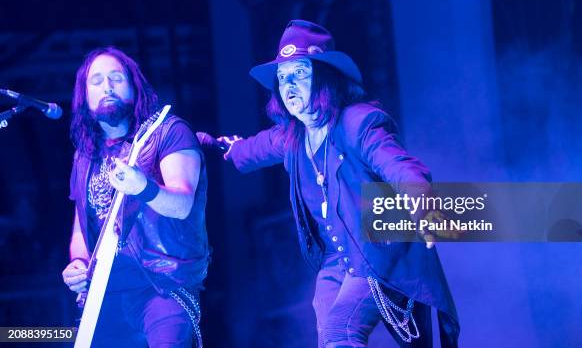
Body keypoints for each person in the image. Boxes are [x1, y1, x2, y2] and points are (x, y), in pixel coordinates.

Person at [201, 20, 459, 348]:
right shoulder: (292, 136)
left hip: (376, 250)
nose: (289, 86)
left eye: (299, 73)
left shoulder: (358, 122)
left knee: (340, 330)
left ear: (324, 76)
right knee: (328, 339)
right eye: (282, 78)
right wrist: (214, 145)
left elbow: (398, 165)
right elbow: (252, 149)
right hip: (337, 261)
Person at [61, 47, 210, 348]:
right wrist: (78, 261)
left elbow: (182, 205)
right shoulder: (84, 157)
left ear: (134, 86)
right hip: (106, 293)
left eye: (116, 78)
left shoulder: (168, 132)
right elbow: (81, 226)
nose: (107, 86)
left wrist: (144, 187)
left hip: (163, 287)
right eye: (97, 80)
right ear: (84, 96)